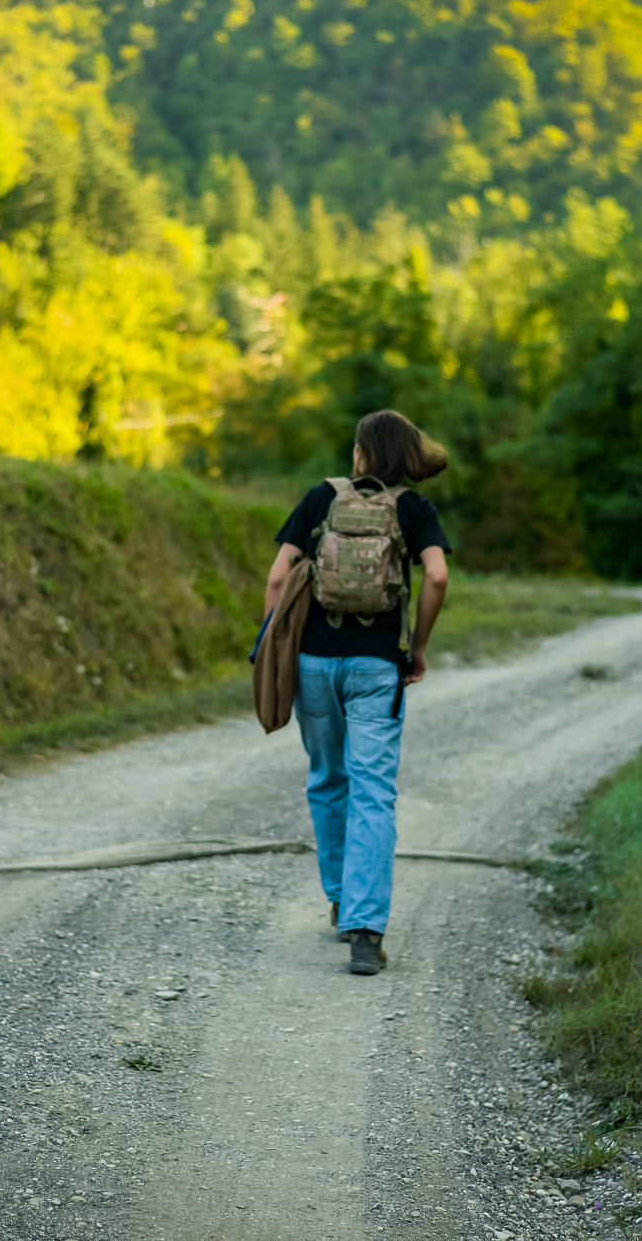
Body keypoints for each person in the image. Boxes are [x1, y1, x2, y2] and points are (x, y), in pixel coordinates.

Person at [261, 410, 451, 976]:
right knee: (373, 790)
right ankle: (366, 931)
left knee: (328, 778)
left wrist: (275, 648)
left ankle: (342, 899)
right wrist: (416, 646)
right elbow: (437, 576)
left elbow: (278, 577)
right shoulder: (412, 508)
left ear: (363, 452)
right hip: (376, 667)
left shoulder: (322, 498)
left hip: (315, 664)